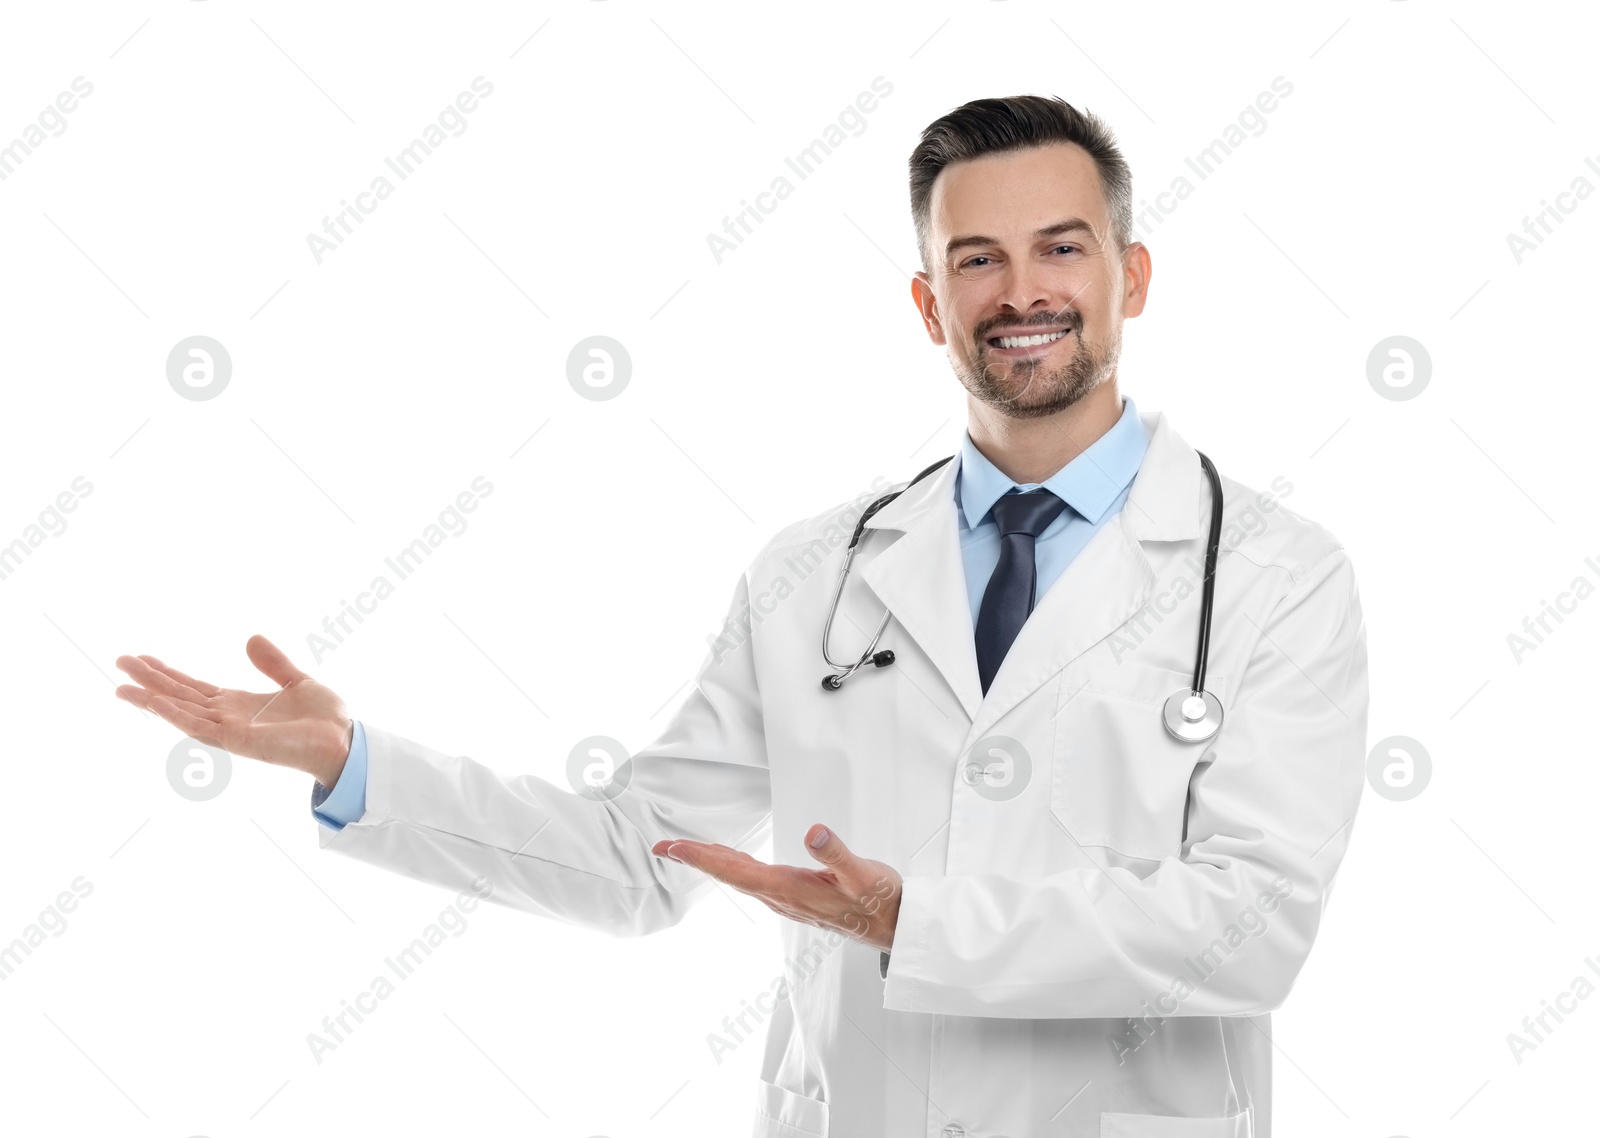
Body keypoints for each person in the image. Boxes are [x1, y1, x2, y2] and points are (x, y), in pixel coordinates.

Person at [115, 94, 1368, 1138]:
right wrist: (355, 765)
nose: (1019, 290)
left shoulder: (1270, 575)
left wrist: (909, 922)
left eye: (1061, 247)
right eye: (974, 259)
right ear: (930, 305)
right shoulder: (812, 572)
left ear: (1128, 276)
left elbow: (1251, 930)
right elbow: (636, 859)